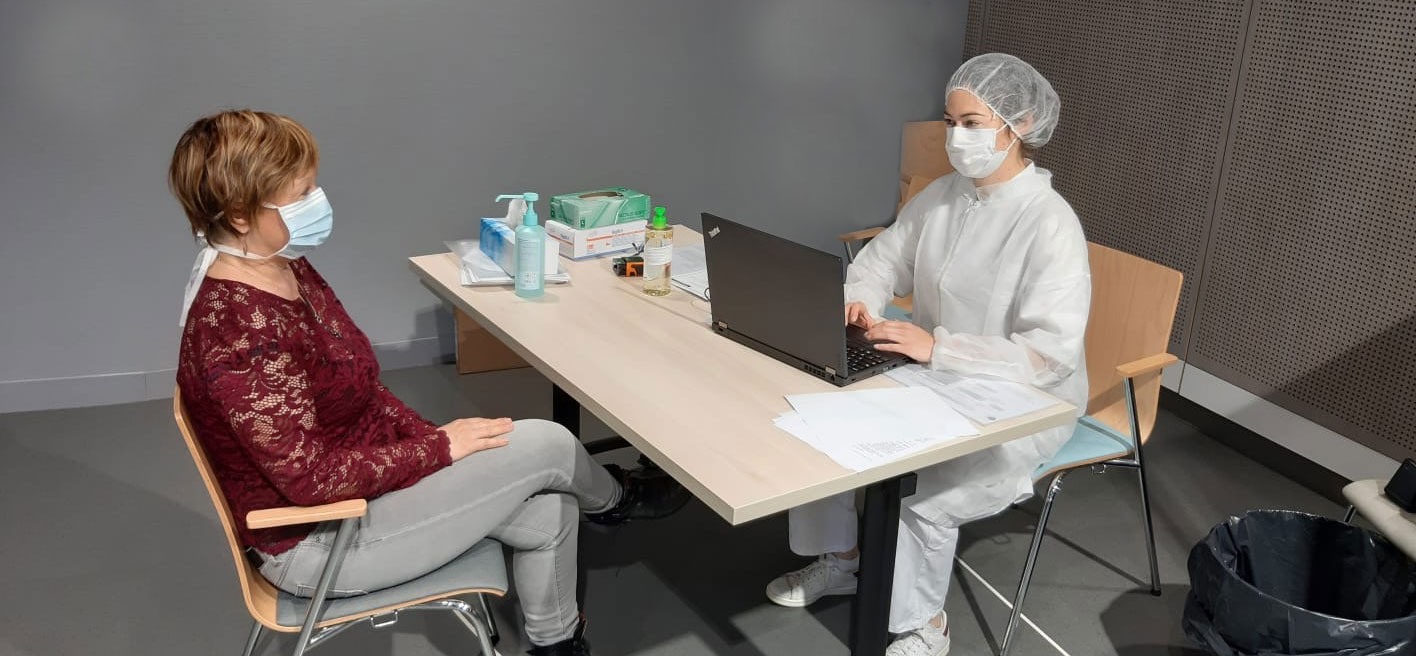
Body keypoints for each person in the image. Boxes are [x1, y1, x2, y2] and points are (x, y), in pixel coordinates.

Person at [171, 110, 688, 656]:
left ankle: (555, 645)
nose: (317, 201)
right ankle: (617, 500)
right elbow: (310, 483)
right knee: (551, 445)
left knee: (551, 506)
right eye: (301, 194)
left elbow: (361, 389)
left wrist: (439, 452)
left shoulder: (282, 267)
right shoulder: (238, 329)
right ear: (239, 215)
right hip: (317, 539)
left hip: (362, 484)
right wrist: (440, 448)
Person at [764, 53, 1090, 656]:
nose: (956, 137)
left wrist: (938, 346)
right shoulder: (944, 195)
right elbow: (881, 262)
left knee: (920, 498)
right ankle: (842, 560)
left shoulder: (1050, 225)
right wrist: (858, 302)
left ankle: (922, 626)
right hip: (932, 372)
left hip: (1023, 402)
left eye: (972, 123)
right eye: (951, 121)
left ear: (1019, 125)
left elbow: (1050, 356)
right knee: (819, 430)